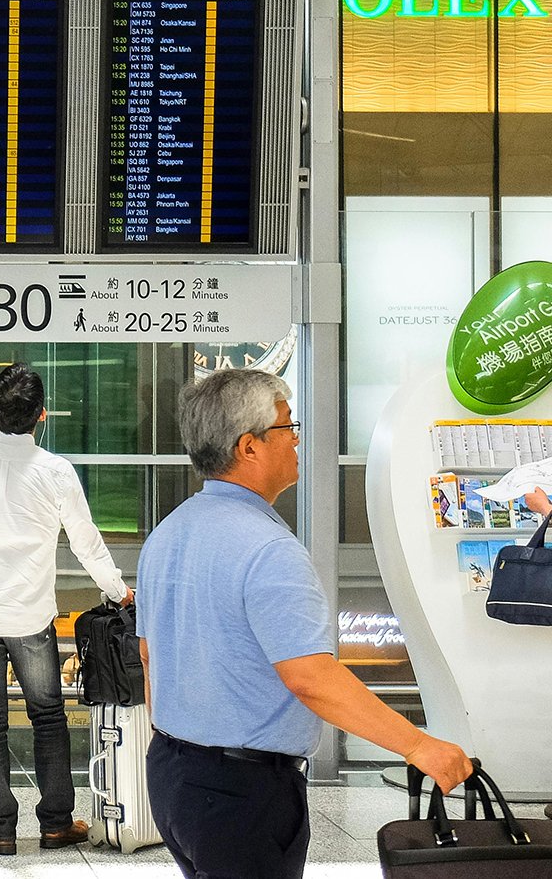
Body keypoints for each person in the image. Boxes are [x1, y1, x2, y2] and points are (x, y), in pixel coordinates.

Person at [137, 369, 472, 879]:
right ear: (249, 447)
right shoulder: (270, 550)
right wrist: (418, 745)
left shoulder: (168, 531)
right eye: (287, 427)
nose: (296, 439)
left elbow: (148, 655)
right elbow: (311, 677)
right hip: (242, 792)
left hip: (171, 773)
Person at [0, 362, 132, 855]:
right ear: (41, 415)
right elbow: (87, 543)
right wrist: (117, 590)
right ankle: (57, 822)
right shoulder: (56, 471)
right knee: (47, 716)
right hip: (30, 616)